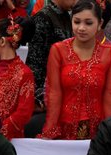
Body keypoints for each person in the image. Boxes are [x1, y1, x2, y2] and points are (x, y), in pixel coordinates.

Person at [38, 0, 111, 140]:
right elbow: (54, 93)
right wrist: (50, 129)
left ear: (100, 24)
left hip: (97, 129)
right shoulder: (58, 50)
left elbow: (110, 96)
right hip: (65, 126)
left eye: (88, 23)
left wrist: (110, 133)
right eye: (77, 22)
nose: (81, 28)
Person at [24, 0, 75, 137]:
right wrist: (42, 99)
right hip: (46, 99)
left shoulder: (67, 16)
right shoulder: (43, 18)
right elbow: (35, 63)